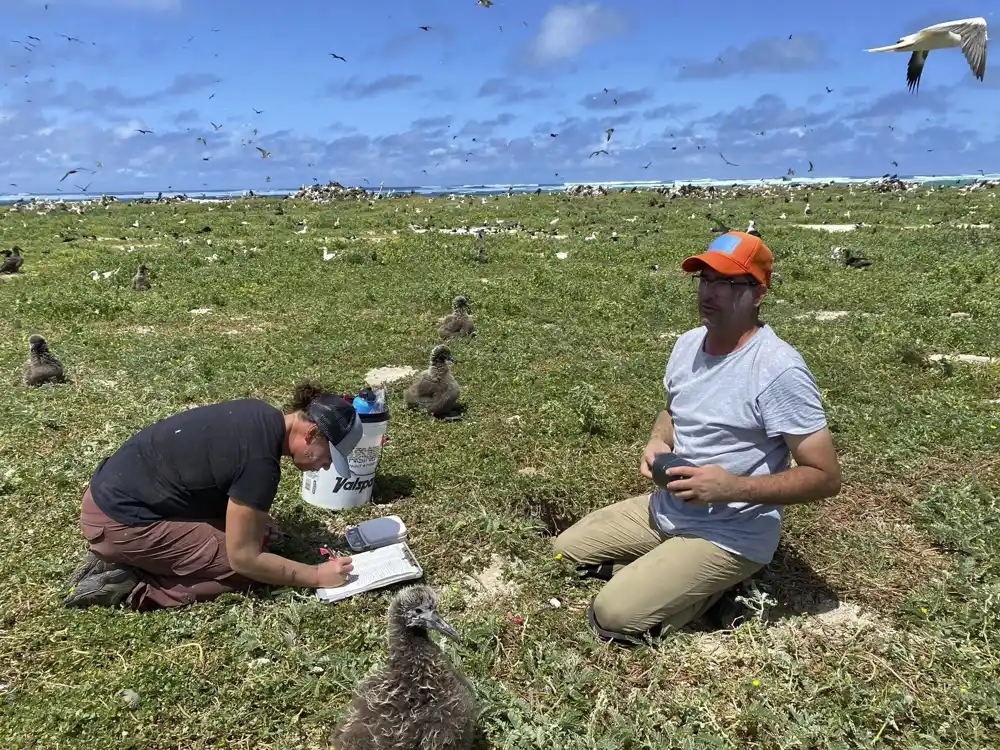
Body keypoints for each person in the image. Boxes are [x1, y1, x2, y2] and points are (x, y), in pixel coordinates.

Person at [553, 230, 842, 644]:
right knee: (563, 554)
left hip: (731, 531)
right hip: (668, 507)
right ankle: (672, 574)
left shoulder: (778, 370)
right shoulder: (688, 344)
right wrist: (658, 440)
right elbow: (673, 409)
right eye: (705, 279)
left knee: (612, 616)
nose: (710, 292)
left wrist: (731, 487)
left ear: (758, 293)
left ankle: (725, 586)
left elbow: (825, 476)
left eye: (726, 283)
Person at [63, 383, 361, 610]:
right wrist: (317, 575)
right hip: (119, 522)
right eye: (329, 457)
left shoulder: (258, 413)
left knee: (259, 535)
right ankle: (133, 583)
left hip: (104, 499)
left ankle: (123, 554)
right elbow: (245, 559)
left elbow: (212, 475)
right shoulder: (260, 464)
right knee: (247, 569)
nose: (326, 467)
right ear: (310, 435)